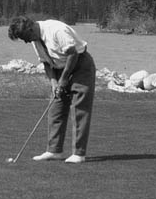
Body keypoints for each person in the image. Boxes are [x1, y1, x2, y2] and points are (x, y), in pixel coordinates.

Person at [7, 16, 95, 164]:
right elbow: (46, 63)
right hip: (59, 68)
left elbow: (73, 54)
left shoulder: (56, 30)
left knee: (79, 108)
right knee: (56, 108)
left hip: (80, 66)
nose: (26, 41)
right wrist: (54, 83)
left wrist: (64, 78)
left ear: (30, 29)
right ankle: (54, 151)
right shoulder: (35, 39)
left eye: (25, 37)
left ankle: (79, 153)